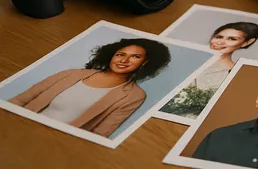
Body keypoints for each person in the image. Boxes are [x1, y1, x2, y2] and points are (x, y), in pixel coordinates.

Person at [8, 38, 171, 137]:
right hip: (19, 127)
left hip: (59, 144)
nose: (124, 60)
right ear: (112, 55)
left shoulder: (134, 95)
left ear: (145, 62)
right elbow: (21, 99)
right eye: (121, 54)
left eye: (135, 57)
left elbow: (101, 133)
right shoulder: (70, 74)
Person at [160, 21, 258, 118]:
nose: (220, 42)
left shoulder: (234, 74)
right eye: (219, 37)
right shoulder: (185, 60)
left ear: (246, 42)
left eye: (232, 39)